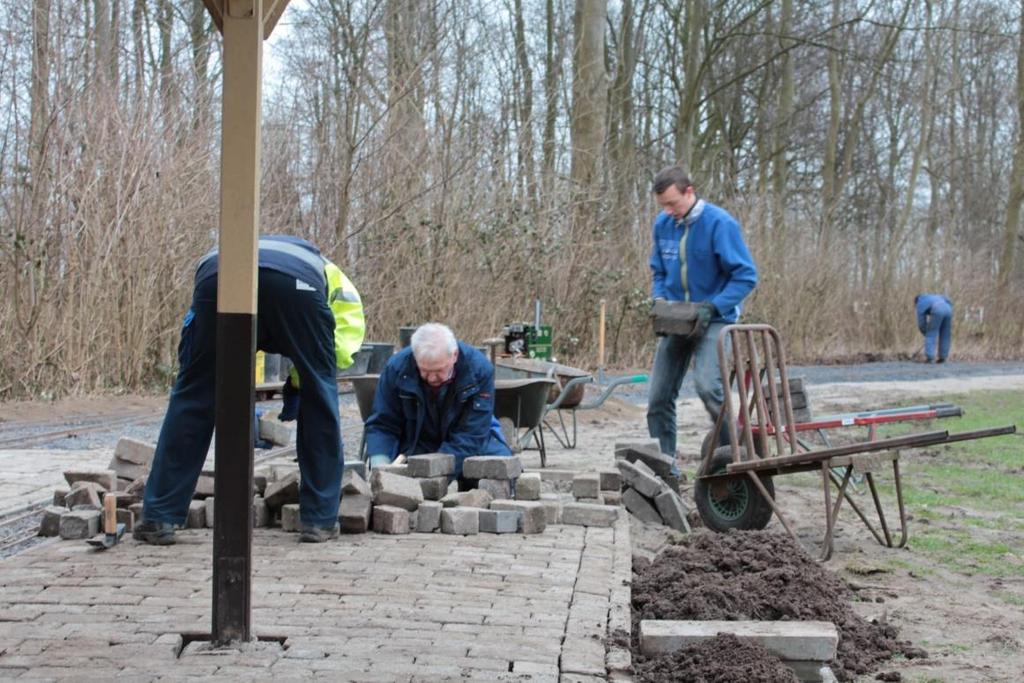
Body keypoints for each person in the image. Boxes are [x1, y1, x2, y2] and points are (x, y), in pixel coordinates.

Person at [134, 235, 365, 545]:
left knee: (193, 397)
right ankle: (320, 520)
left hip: (219, 275)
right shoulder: (326, 270)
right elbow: (341, 343)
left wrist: (197, 374)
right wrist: (304, 382)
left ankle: (159, 515)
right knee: (320, 400)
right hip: (297, 290)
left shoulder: (221, 250)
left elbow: (192, 340)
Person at [646, 166, 758, 463]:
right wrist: (659, 300)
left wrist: (714, 306)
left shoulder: (720, 224)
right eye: (663, 206)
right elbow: (658, 270)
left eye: (673, 203)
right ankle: (664, 466)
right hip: (676, 319)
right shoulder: (663, 225)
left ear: (689, 192)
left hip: (715, 319)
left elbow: (746, 277)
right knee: (658, 397)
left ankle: (733, 457)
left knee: (709, 388)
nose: (669, 211)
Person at [364, 323, 510, 486]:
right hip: (416, 441)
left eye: (439, 371)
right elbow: (383, 423)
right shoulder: (397, 369)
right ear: (415, 358)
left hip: (469, 439)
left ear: (454, 356)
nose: (432, 378)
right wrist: (380, 463)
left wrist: (436, 471)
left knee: (500, 474)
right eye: (425, 371)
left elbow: (473, 434)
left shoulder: (478, 369)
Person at [915, 293, 953, 363]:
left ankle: (930, 358)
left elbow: (921, 323)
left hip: (937, 309)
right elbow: (948, 300)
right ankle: (943, 357)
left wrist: (926, 333)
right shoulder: (933, 297)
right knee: (945, 334)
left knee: (931, 333)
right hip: (948, 309)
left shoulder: (920, 303)